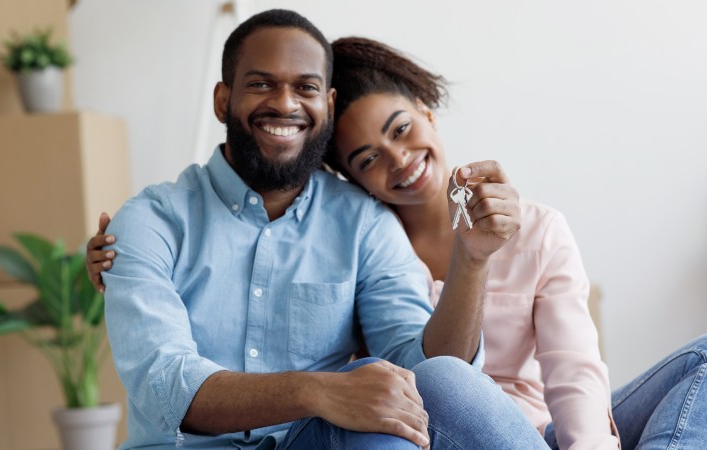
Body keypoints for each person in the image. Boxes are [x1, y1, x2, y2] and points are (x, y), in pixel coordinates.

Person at [90, 31, 707, 450]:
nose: (400, 161)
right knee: (438, 381)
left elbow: (575, 372)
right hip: (446, 428)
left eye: (402, 129)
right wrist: (119, 262)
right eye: (367, 157)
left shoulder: (525, 226)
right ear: (345, 172)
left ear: (427, 112)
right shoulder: (362, 234)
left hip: (549, 435)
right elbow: (421, 377)